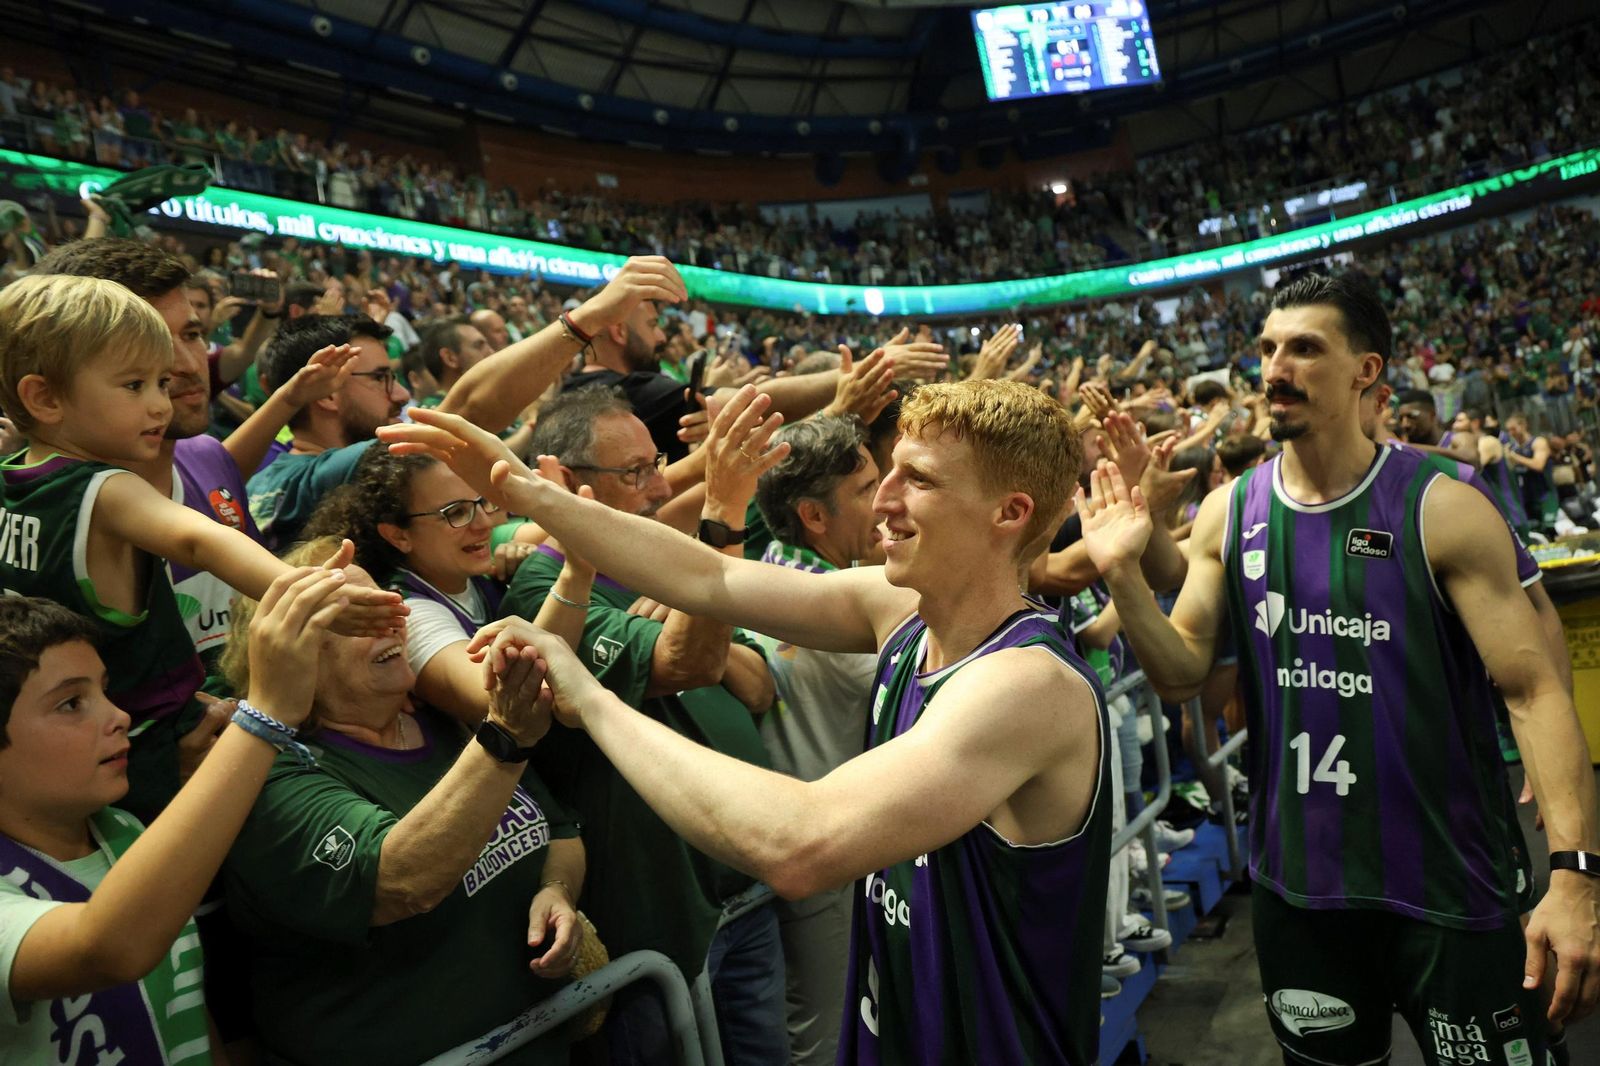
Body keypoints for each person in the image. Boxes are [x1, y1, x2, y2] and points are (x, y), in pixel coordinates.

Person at [381, 374, 1112, 1066]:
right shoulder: (902, 611)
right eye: (886, 472)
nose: (883, 499)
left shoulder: (1025, 683)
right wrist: (529, 492)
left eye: (917, 480)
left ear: (1009, 514)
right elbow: (711, 576)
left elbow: (800, 843)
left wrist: (591, 697)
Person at [1078, 273, 1599, 1063]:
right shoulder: (1233, 510)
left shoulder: (1442, 503)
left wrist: (1574, 874)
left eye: (1305, 348)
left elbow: (1532, 686)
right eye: (1267, 348)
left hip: (1452, 886)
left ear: (1367, 373)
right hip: (1302, 894)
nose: (1275, 367)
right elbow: (1182, 669)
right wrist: (1121, 573)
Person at [0, 274, 404, 819]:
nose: (159, 406)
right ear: (44, 397)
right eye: (133, 386)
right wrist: (309, 593)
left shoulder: (11, 480)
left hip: (63, 756)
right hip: (155, 743)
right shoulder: (104, 488)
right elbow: (201, 538)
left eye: (160, 384)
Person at [220, 539, 588, 1065]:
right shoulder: (272, 775)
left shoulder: (442, 722)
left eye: (387, 604)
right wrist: (504, 740)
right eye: (356, 617)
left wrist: (556, 891)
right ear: (291, 652)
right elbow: (402, 882)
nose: (395, 622)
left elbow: (560, 832)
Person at [499, 388, 784, 1065]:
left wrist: (710, 643)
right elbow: (689, 661)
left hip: (742, 894)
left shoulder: (661, 559)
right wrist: (721, 513)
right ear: (565, 483)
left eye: (657, 463)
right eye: (633, 473)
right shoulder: (544, 592)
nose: (659, 486)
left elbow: (759, 684)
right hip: (657, 932)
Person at [0, 567, 347, 1063]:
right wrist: (264, 715)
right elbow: (111, 947)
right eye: (72, 703)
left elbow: (184, 1014)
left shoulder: (123, 831)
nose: (117, 715)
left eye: (104, 690)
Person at [248, 255, 691, 549]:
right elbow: (464, 413)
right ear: (324, 393)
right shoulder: (307, 477)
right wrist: (589, 318)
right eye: (382, 378)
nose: (400, 394)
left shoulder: (271, 479)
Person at [748, 414, 883, 1065]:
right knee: (830, 1033)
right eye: (866, 491)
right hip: (830, 849)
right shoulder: (834, 600)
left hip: (820, 837)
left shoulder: (771, 572)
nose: (885, 503)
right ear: (814, 515)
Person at [300, 445, 597, 725]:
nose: (483, 523)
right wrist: (574, 576)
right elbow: (496, 697)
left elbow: (533, 534)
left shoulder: (465, 559)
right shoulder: (408, 614)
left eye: (482, 502)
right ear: (398, 536)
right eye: (455, 512)